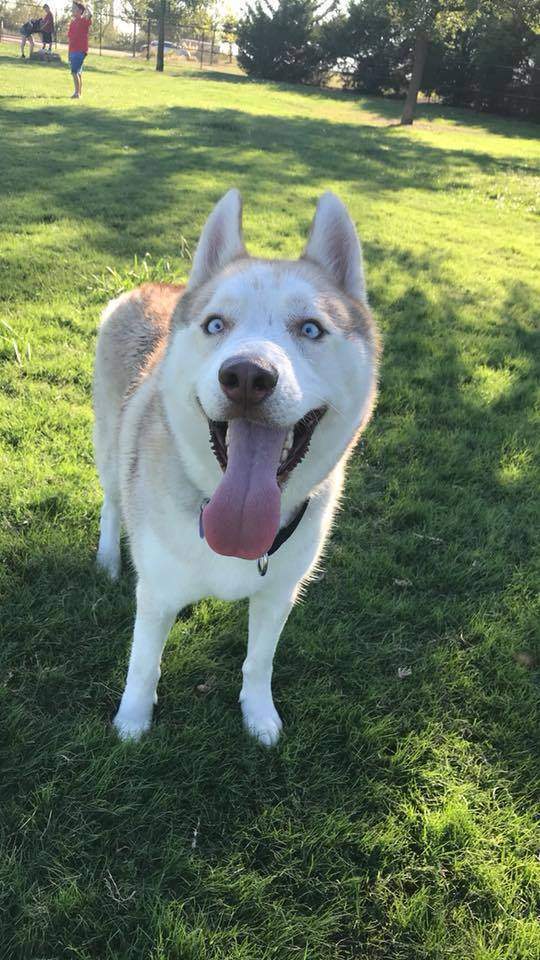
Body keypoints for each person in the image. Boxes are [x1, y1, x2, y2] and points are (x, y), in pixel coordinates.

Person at [67, 2, 91, 99]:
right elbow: (70, 39)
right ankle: (79, 93)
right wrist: (68, 53)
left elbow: (90, 15)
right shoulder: (72, 23)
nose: (72, 9)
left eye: (74, 8)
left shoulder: (83, 21)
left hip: (80, 50)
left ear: (80, 11)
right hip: (73, 50)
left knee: (74, 72)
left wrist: (88, 7)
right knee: (78, 73)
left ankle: (77, 93)